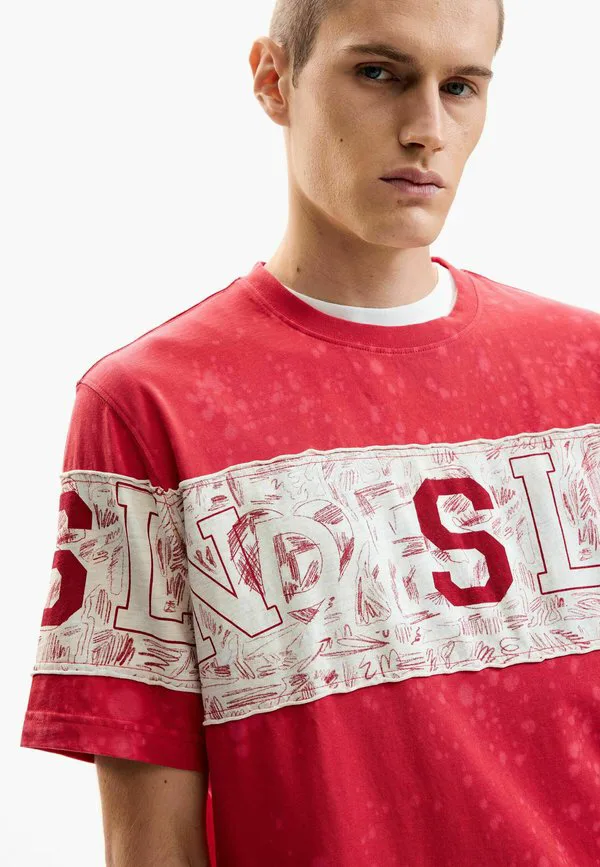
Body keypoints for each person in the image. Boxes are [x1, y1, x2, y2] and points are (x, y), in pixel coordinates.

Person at [20, 0, 600, 864]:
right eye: (379, 73)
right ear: (273, 80)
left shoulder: (584, 372)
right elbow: (150, 842)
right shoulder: (149, 407)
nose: (427, 129)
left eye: (460, 86)